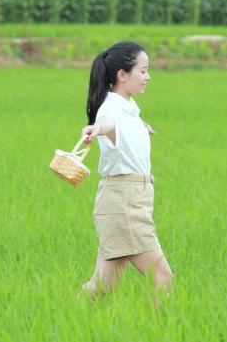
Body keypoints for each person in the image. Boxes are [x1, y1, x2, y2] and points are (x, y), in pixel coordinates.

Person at [77, 41, 173, 308]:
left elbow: (122, 121)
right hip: (124, 202)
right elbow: (107, 122)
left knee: (103, 286)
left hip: (127, 199)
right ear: (122, 75)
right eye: (143, 71)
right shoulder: (111, 111)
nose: (148, 77)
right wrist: (96, 129)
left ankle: (60, 320)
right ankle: (161, 332)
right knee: (162, 276)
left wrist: (140, 125)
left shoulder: (127, 108)